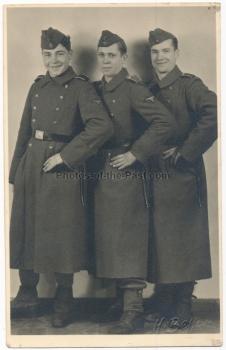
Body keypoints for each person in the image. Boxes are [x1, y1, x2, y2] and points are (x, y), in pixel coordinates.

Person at [9, 27, 113, 328]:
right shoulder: (37, 85)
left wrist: (66, 156)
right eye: (47, 54)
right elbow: (23, 132)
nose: (53, 60)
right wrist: (15, 174)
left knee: (61, 232)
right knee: (27, 227)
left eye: (59, 54)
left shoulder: (81, 87)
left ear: (69, 55)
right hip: (32, 164)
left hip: (61, 168)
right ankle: (27, 294)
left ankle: (64, 299)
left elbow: (101, 126)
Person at [91, 30, 176, 334]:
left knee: (127, 241)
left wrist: (136, 154)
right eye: (101, 55)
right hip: (97, 170)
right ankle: (120, 304)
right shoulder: (94, 88)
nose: (106, 61)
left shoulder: (131, 88)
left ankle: (133, 311)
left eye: (112, 55)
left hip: (125, 173)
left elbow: (165, 121)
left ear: (123, 58)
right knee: (108, 239)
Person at [145, 28, 218, 326]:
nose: (160, 56)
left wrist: (186, 150)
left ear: (176, 54)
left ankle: (183, 304)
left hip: (182, 175)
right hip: (154, 173)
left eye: (165, 50)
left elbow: (215, 112)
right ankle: (164, 298)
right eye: (155, 52)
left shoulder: (190, 85)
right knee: (160, 238)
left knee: (184, 239)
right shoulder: (149, 89)